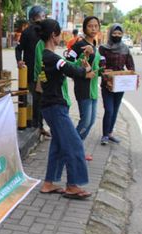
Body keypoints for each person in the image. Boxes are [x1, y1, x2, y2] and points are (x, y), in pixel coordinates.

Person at [37, 18, 94, 200]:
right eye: (59, 33)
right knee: (74, 144)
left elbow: (67, 66)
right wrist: (86, 71)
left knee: (59, 145)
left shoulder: (46, 58)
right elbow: (71, 70)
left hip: (49, 106)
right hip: (55, 107)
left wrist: (81, 64)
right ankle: (72, 185)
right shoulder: (52, 58)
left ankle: (49, 183)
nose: (60, 36)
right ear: (54, 35)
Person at [68, 16, 101, 161]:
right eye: (90, 26)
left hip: (93, 88)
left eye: (96, 26)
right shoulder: (79, 45)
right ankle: (71, 149)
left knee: (91, 121)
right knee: (85, 121)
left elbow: (98, 65)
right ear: (84, 28)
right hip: (83, 88)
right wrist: (84, 54)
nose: (93, 29)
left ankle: (77, 149)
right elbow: (68, 64)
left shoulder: (95, 45)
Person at [15, 5, 51, 137]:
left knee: (41, 99)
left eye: (43, 16)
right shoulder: (28, 32)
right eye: (40, 16)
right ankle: (35, 124)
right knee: (34, 98)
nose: (42, 19)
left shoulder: (46, 32)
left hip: (44, 71)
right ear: (33, 18)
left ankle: (38, 124)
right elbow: (19, 49)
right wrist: (19, 61)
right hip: (31, 72)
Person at [99, 24, 135, 145]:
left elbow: (130, 65)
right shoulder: (103, 48)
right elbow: (101, 63)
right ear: (110, 34)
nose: (117, 35)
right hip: (107, 83)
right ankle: (104, 135)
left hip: (120, 84)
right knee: (108, 110)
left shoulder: (125, 49)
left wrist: (131, 75)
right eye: (115, 33)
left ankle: (109, 133)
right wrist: (104, 71)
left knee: (115, 109)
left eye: (119, 34)